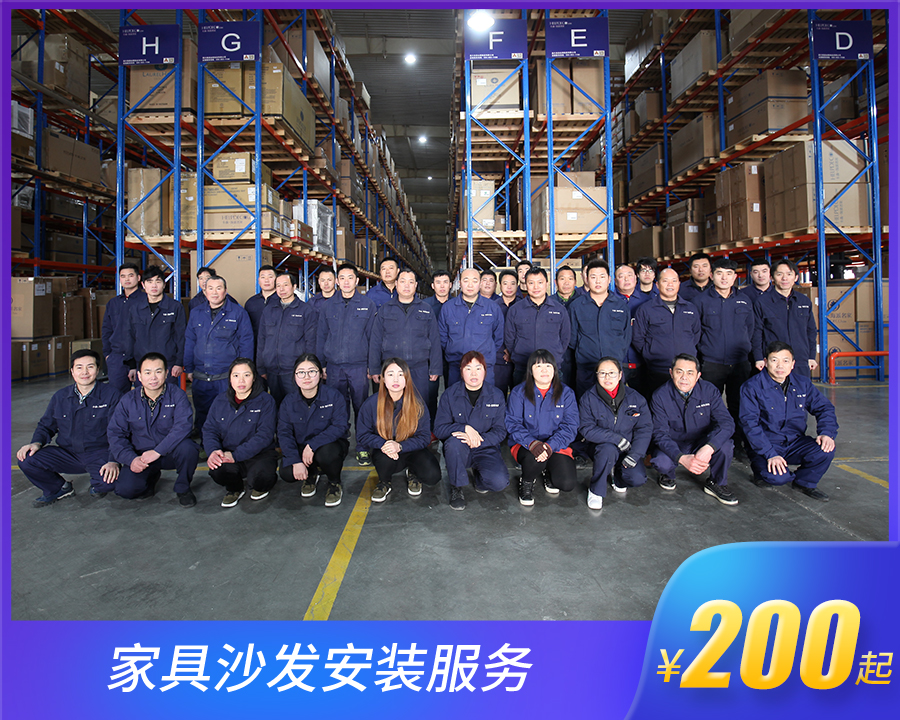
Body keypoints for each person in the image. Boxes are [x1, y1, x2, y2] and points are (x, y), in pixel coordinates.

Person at [17, 349, 122, 507]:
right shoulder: (60, 397)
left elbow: (119, 431)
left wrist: (113, 460)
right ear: (72, 371)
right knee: (27, 459)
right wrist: (36, 442)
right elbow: (46, 424)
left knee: (110, 483)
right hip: (67, 454)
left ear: (98, 370)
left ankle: (98, 483)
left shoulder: (112, 395)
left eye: (90, 367)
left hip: (99, 453)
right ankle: (58, 488)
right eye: (79, 367)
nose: (84, 372)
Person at [739, 341, 838, 501]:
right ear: (765, 362)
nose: (780, 366)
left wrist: (827, 433)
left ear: (792, 364)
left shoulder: (802, 384)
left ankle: (804, 482)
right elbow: (749, 424)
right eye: (774, 360)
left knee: (825, 450)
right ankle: (762, 471)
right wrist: (770, 454)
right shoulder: (752, 387)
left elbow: (824, 408)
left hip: (795, 441)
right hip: (766, 444)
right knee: (778, 478)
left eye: (785, 361)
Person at [107, 352, 199, 507]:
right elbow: (116, 434)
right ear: (139, 376)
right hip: (141, 456)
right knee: (125, 490)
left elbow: (183, 426)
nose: (153, 378)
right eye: (148, 372)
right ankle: (150, 478)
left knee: (189, 449)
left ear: (166, 373)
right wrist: (131, 459)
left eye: (158, 371)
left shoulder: (177, 395)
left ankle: (183, 488)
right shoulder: (128, 400)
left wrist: (158, 451)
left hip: (169, 452)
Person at [650, 354, 738, 506]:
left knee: (725, 446)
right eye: (679, 372)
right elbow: (659, 433)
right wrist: (681, 458)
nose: (684, 377)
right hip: (676, 443)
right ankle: (668, 475)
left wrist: (710, 447)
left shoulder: (709, 391)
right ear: (671, 373)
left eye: (690, 373)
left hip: (702, 442)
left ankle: (717, 482)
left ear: (698, 375)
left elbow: (727, 423)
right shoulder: (660, 396)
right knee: (661, 461)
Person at [356, 357, 441, 502]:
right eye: (390, 374)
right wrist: (385, 444)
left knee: (433, 476)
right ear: (383, 379)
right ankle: (384, 482)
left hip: (411, 449)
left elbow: (424, 437)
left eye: (401, 374)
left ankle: (413, 472)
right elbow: (363, 434)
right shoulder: (371, 404)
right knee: (384, 461)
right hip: (385, 450)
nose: (395, 379)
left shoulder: (417, 404)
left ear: (407, 379)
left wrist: (400, 446)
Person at [692, 258, 754, 455]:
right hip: (712, 363)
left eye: (729, 274)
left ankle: (738, 444)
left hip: (740, 363)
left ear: (735, 277)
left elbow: (750, 328)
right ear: (712, 276)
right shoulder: (701, 301)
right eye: (719, 273)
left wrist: (744, 348)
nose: (724, 278)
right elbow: (695, 331)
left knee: (739, 405)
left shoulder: (744, 300)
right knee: (708, 406)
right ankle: (710, 445)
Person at [316, 262, 375, 465]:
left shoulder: (367, 304)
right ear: (337, 281)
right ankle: (339, 444)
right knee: (337, 407)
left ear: (357, 280)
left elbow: (373, 337)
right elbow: (321, 336)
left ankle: (363, 446)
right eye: (342, 278)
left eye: (350, 278)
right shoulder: (328, 305)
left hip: (359, 366)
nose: (346, 282)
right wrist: (322, 364)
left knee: (361, 406)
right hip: (334, 366)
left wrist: (372, 365)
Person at [434, 351, 509, 510]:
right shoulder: (450, 395)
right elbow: (439, 429)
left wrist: (479, 440)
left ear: (485, 371)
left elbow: (500, 431)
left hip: (485, 447)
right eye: (468, 369)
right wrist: (464, 428)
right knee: (453, 445)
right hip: (459, 448)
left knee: (499, 482)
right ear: (461, 371)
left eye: (478, 368)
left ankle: (480, 477)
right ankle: (456, 487)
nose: (473, 373)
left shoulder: (496, 395)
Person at [506, 349, 579, 506]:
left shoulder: (566, 393)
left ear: (555, 369)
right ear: (531, 370)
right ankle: (526, 481)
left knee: (566, 483)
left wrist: (550, 446)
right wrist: (533, 444)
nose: (544, 370)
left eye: (548, 366)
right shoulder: (519, 392)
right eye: (538, 366)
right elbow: (513, 423)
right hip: (526, 444)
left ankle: (548, 470)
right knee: (534, 460)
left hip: (556, 445)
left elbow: (570, 426)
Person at [578, 357, 652, 510]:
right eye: (602, 373)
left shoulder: (636, 398)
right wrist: (616, 439)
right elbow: (586, 428)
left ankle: (617, 478)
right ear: (596, 375)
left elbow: (644, 429)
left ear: (620, 375)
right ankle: (596, 490)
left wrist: (635, 455)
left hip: (628, 448)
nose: (607, 377)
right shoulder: (588, 398)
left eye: (612, 373)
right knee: (607, 450)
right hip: (599, 446)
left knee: (637, 478)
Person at [184, 275, 254, 434]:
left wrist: (244, 371)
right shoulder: (196, 313)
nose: (214, 292)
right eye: (210, 288)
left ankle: (226, 441)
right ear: (204, 291)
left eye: (218, 288)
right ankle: (204, 441)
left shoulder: (238, 313)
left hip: (226, 375)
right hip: (201, 373)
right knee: (202, 411)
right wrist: (188, 367)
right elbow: (190, 341)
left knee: (227, 411)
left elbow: (246, 342)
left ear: (226, 291)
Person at [277, 354, 350, 507]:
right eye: (301, 372)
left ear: (321, 374)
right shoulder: (288, 402)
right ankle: (311, 475)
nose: (307, 377)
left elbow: (340, 426)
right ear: (294, 376)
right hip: (301, 447)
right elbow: (284, 433)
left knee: (328, 455)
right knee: (287, 471)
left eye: (312, 371)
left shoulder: (333, 396)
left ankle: (334, 482)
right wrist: (295, 460)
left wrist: (313, 445)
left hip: (329, 445)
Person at [203, 358, 278, 508]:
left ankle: (258, 484)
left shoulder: (266, 401)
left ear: (254, 377)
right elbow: (210, 429)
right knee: (218, 469)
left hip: (258, 454)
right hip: (229, 453)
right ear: (230, 378)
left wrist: (236, 455)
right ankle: (235, 488)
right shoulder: (220, 401)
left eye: (247, 375)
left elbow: (264, 435)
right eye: (236, 375)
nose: (241, 381)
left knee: (262, 478)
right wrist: (213, 451)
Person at [368, 269, 442, 404]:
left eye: (411, 282)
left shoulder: (426, 309)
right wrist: (374, 368)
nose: (406, 285)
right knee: (392, 405)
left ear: (416, 285)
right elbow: (376, 340)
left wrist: (435, 368)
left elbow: (434, 339)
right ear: (396, 284)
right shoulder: (385, 309)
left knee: (420, 404)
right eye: (402, 281)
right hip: (392, 368)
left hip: (419, 368)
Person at [631, 267, 701, 397]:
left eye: (674, 281)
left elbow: (696, 334)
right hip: (657, 369)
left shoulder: (690, 308)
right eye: (665, 281)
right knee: (657, 402)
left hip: (685, 370)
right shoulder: (646, 309)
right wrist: (650, 353)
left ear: (679, 284)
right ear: (657, 285)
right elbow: (638, 337)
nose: (670, 284)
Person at [568, 258, 632, 397]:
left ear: (609, 279)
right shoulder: (576, 306)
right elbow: (572, 339)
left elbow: (626, 337)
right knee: (585, 403)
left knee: (614, 404)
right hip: (586, 369)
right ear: (586, 279)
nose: (598, 281)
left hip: (613, 370)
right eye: (593, 277)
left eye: (602, 277)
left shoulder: (621, 306)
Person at [256, 271, 317, 405]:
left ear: (294, 287)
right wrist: (261, 367)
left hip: (294, 370)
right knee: (275, 405)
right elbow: (262, 339)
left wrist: (307, 369)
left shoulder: (305, 310)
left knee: (296, 405)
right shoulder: (269, 310)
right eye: (278, 286)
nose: (281, 289)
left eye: (285, 285)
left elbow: (311, 342)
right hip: (271, 369)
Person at [504, 267, 572, 386]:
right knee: (521, 397)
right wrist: (517, 354)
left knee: (554, 397)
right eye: (531, 283)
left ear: (547, 283)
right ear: (525, 285)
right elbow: (510, 338)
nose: (536, 287)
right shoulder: (515, 310)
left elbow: (565, 337)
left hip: (552, 368)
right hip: (523, 368)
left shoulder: (559, 309)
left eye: (540, 282)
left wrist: (556, 353)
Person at [438, 267, 504, 386]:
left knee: (485, 396)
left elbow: (498, 337)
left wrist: (487, 353)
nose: (470, 285)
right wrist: (452, 350)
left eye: (474, 281)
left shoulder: (492, 308)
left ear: (480, 284)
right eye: (466, 280)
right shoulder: (448, 308)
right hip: (456, 365)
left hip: (484, 366)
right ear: (460, 283)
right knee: (456, 396)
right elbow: (443, 337)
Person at [752, 259, 818, 377]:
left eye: (789, 274)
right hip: (774, 360)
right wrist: (759, 358)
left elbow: (811, 331)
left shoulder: (803, 301)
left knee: (800, 388)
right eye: (779, 274)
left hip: (800, 359)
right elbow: (756, 332)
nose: (784, 278)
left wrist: (811, 356)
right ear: (772, 278)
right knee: (773, 388)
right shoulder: (762, 302)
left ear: (796, 277)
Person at [123, 265, 186, 386]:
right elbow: (129, 337)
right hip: (142, 364)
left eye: (158, 281)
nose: (154, 285)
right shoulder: (135, 309)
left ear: (164, 284)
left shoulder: (175, 307)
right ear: (143, 285)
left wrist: (179, 363)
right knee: (143, 397)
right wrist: (131, 365)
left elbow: (181, 337)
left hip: (167, 365)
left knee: (167, 396)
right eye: (150, 281)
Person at [102, 263, 144, 393]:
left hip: (141, 357)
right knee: (116, 396)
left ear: (138, 278)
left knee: (143, 395)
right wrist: (107, 354)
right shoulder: (113, 303)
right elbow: (106, 329)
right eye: (123, 276)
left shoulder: (146, 301)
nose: (127, 279)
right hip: (117, 358)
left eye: (130, 275)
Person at [614, 263, 651, 390]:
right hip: (618, 361)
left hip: (642, 361)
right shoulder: (609, 302)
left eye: (629, 275)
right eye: (621, 276)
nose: (626, 279)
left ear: (636, 278)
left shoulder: (648, 302)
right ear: (615, 281)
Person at [425, 270, 452, 431]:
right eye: (438, 283)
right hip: (430, 356)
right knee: (430, 393)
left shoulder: (457, 304)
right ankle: (431, 427)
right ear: (432, 286)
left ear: (451, 285)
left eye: (445, 282)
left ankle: (450, 426)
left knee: (453, 392)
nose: (442, 286)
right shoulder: (425, 306)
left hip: (452, 356)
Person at [493, 269, 519, 395]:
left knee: (519, 395)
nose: (509, 287)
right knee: (498, 394)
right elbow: (489, 333)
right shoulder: (493, 307)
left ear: (517, 285)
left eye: (512, 283)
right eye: (505, 283)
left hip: (519, 359)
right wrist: (504, 350)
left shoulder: (523, 306)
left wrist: (513, 352)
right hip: (498, 359)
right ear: (499, 285)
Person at [553, 265, 579, 387]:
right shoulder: (549, 303)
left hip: (579, 356)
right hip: (557, 357)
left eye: (570, 279)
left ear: (575, 282)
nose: (566, 283)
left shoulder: (583, 302)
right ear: (556, 282)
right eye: (562, 279)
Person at [243, 264, 278, 351]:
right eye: (263, 277)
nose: (266, 280)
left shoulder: (282, 301)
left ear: (276, 280)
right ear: (258, 280)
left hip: (277, 348)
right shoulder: (251, 302)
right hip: (256, 348)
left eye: (270, 277)